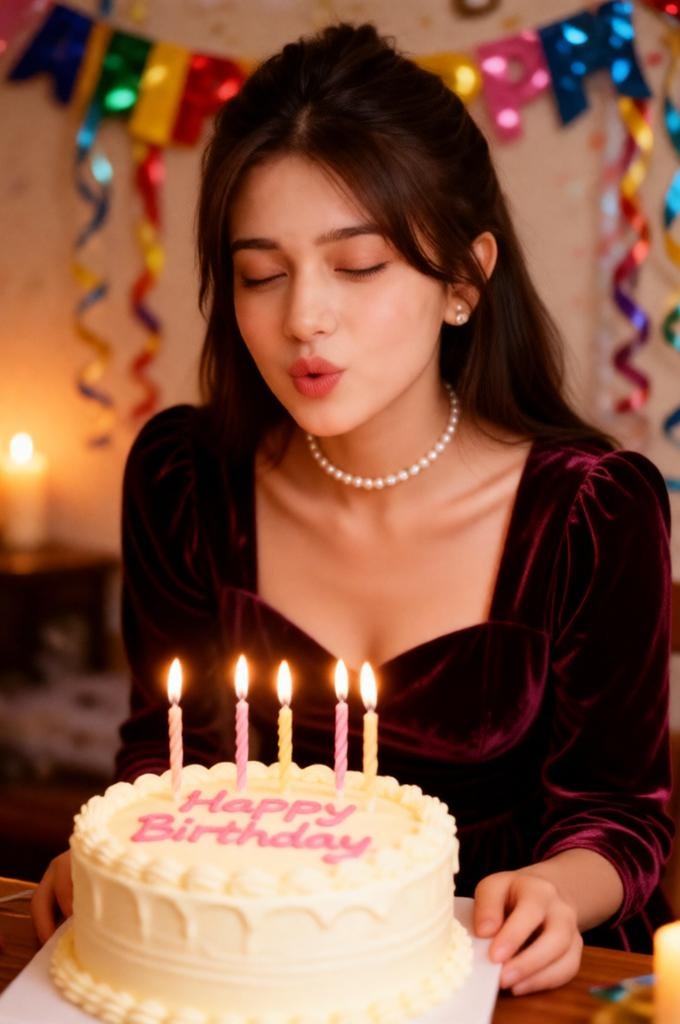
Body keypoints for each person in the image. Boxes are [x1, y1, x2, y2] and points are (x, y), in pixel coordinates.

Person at [33, 21, 674, 996]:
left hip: (503, 985)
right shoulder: (185, 478)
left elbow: (618, 816)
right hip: (241, 985)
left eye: (359, 265)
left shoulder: (592, 509)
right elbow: (169, 757)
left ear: (463, 279)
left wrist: (554, 889)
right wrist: (110, 864)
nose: (303, 318)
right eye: (261, 274)